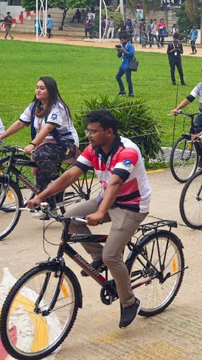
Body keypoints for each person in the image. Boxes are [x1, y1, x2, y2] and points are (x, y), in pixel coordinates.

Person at [27, 109, 151, 329]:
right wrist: (40, 196)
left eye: (94, 131)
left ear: (109, 132)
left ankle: (129, 302)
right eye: (88, 130)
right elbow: (69, 175)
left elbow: (114, 184)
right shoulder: (94, 150)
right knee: (69, 218)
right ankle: (97, 256)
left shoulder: (127, 151)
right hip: (107, 199)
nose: (89, 135)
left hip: (132, 205)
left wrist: (101, 213)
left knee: (112, 254)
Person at [0, 77, 80, 205]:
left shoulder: (57, 107)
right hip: (46, 144)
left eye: (42, 88)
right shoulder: (35, 106)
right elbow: (19, 123)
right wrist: (0, 138)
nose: (38, 90)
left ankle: (58, 183)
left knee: (39, 155)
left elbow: (48, 128)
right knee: (40, 174)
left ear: (51, 90)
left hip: (65, 144)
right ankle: (47, 204)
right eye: (37, 87)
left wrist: (33, 144)